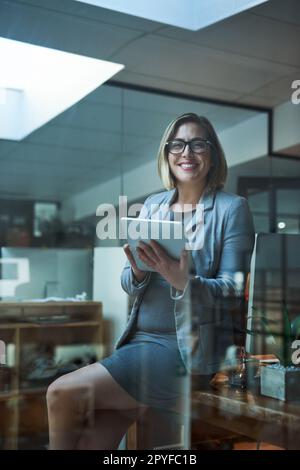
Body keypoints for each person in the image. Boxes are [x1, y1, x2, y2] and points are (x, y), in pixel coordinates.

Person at [46, 113, 255, 450]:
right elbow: (130, 283)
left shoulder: (232, 209)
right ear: (167, 153)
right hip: (138, 341)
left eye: (198, 144)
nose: (187, 152)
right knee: (90, 445)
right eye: (178, 144)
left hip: (184, 351)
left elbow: (232, 291)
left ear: (212, 154)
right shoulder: (154, 204)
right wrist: (138, 273)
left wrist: (183, 281)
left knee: (62, 391)